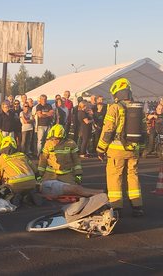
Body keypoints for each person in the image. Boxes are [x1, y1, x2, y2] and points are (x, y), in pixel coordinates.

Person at [96, 78, 146, 217]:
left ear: (116, 94)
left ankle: (116, 206)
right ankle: (137, 206)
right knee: (133, 176)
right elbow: (144, 131)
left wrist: (100, 149)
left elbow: (108, 130)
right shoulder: (138, 108)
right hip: (133, 150)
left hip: (116, 150)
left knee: (115, 177)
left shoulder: (114, 108)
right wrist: (140, 149)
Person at [37, 124, 103, 198]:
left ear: (63, 137)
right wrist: (39, 175)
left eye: (57, 139)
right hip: (50, 175)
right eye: (53, 139)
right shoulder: (48, 144)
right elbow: (43, 160)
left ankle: (101, 193)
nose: (54, 141)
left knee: (77, 189)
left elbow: (76, 161)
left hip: (67, 175)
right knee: (75, 190)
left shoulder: (71, 144)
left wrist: (78, 174)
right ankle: (100, 194)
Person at [0, 136, 43, 207]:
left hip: (15, 185)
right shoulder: (22, 155)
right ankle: (29, 195)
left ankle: (12, 198)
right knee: (27, 189)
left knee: (3, 191)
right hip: (31, 182)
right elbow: (35, 169)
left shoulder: (1, 158)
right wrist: (38, 182)